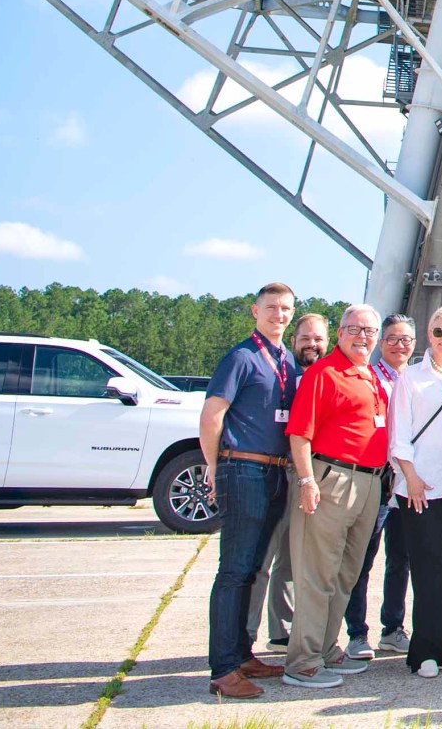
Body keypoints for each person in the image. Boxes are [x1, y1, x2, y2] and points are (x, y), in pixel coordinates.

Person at [281, 304, 389, 690]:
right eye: (356, 329)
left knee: (345, 574)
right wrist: (308, 480)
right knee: (317, 573)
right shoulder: (323, 373)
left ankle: (327, 648)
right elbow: (299, 433)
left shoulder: (370, 375)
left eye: (370, 331)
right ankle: (303, 661)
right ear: (340, 333)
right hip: (333, 479)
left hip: (370, 481)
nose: (364, 337)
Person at [202, 281, 301, 699]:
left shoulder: (286, 360)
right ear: (254, 311)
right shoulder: (241, 357)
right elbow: (212, 415)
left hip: (274, 473)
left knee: (252, 567)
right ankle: (223, 670)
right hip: (243, 471)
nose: (279, 314)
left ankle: (241, 654)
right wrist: (214, 466)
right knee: (235, 570)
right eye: (272, 308)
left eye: (286, 309)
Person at [390, 305, 442, 678]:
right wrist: (411, 476)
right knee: (426, 569)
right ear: (428, 334)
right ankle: (424, 652)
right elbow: (399, 434)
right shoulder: (410, 378)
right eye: (439, 332)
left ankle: (438, 650)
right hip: (417, 487)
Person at [248, 312, 331, 653]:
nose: (312, 344)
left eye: (318, 339)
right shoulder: (281, 374)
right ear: (294, 341)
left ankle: (282, 631)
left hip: (311, 476)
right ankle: (242, 639)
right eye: (306, 338)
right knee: (260, 559)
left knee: (294, 558)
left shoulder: (329, 377)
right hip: (273, 472)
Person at [343, 313, 414, 660]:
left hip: (405, 485)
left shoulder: (415, 380)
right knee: (361, 559)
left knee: (400, 559)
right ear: (380, 343)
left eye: (406, 340)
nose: (399, 345)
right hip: (376, 481)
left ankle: (393, 628)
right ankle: (357, 632)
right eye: (392, 339)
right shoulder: (368, 377)